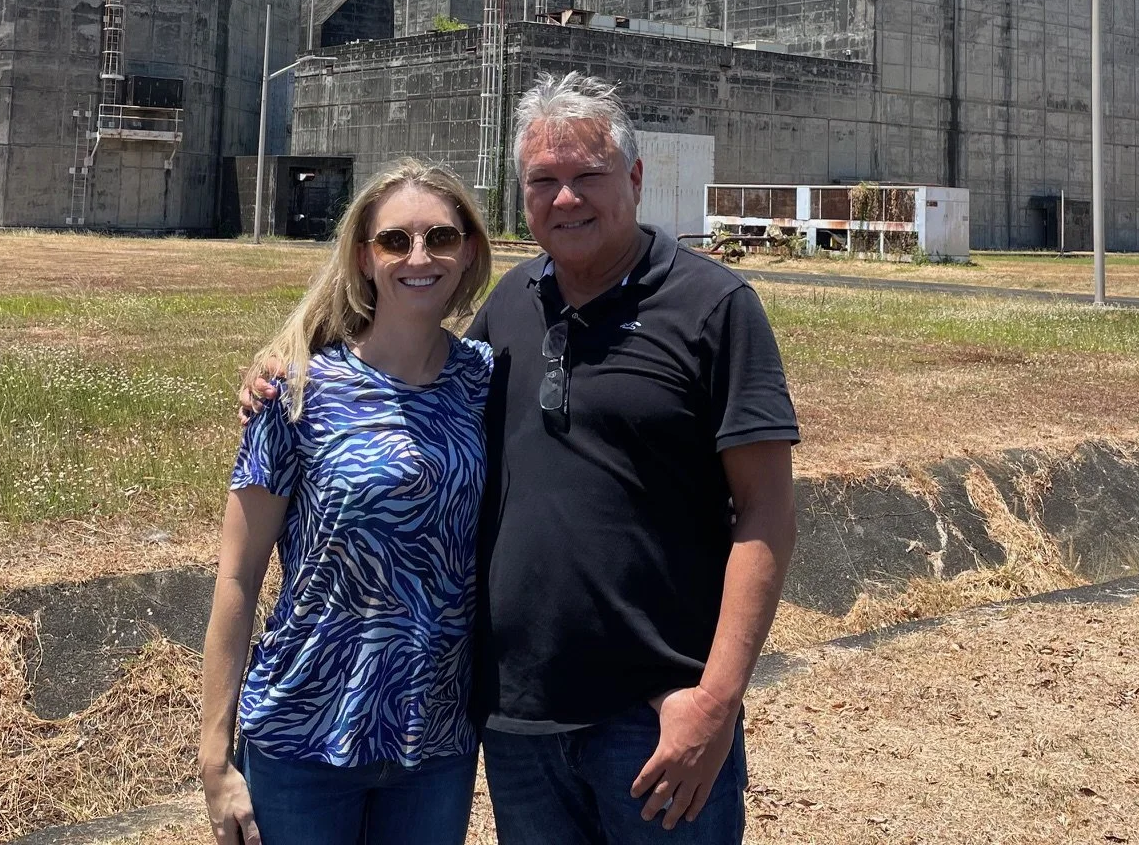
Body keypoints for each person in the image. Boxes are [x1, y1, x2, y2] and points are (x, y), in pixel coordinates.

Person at [243, 72, 799, 843]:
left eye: (588, 176)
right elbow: (412, 382)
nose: (565, 198)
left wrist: (716, 700)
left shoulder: (713, 307)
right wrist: (292, 361)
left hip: (656, 721)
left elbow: (767, 512)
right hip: (518, 724)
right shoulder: (510, 305)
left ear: (635, 179)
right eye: (543, 181)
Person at [200, 160, 494, 845]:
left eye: (440, 237)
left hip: (434, 742)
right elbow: (237, 577)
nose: (418, 257)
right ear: (363, 256)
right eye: (394, 240)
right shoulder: (296, 390)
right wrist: (215, 756)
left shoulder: (483, 381)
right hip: (302, 735)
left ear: (468, 250)